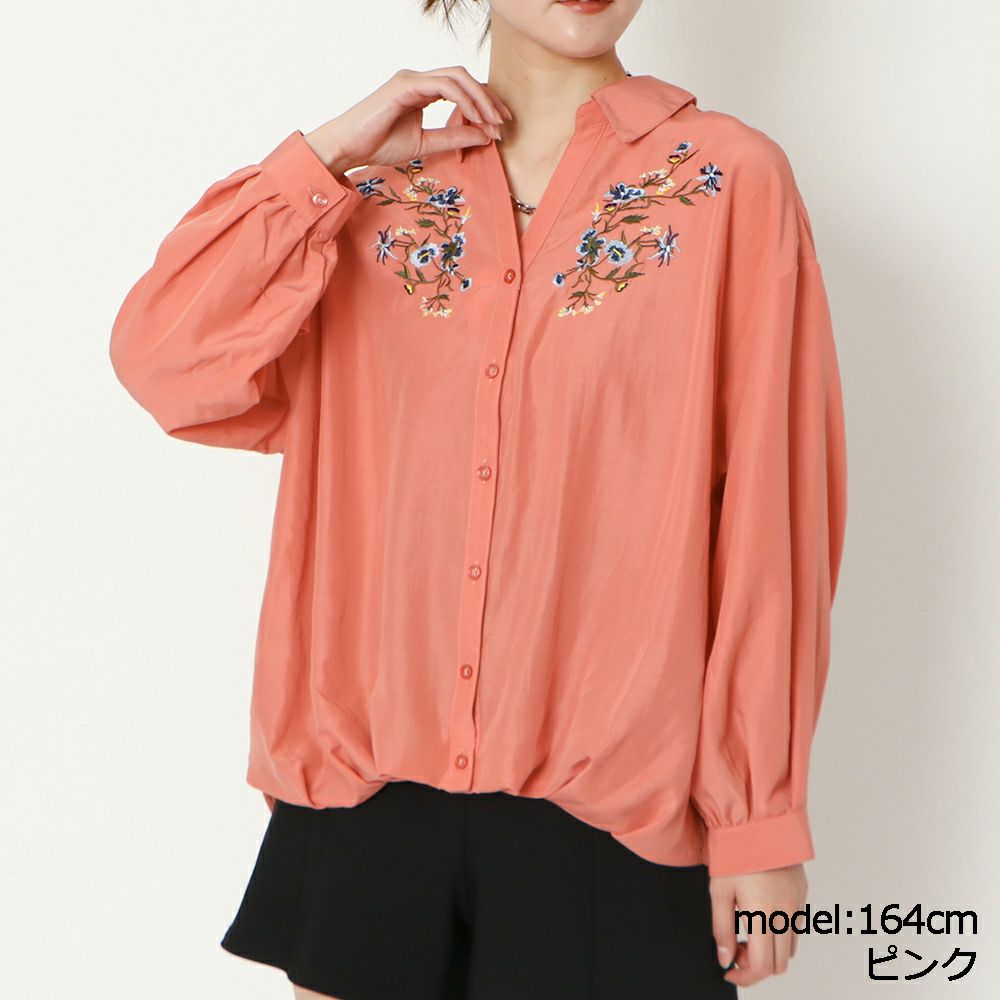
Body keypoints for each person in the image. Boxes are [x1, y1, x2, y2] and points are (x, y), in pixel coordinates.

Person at [108, 0, 848, 996]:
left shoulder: (726, 183)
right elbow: (166, 359)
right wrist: (324, 157)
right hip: (366, 806)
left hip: (615, 817)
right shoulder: (369, 188)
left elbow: (773, 514)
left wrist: (759, 818)